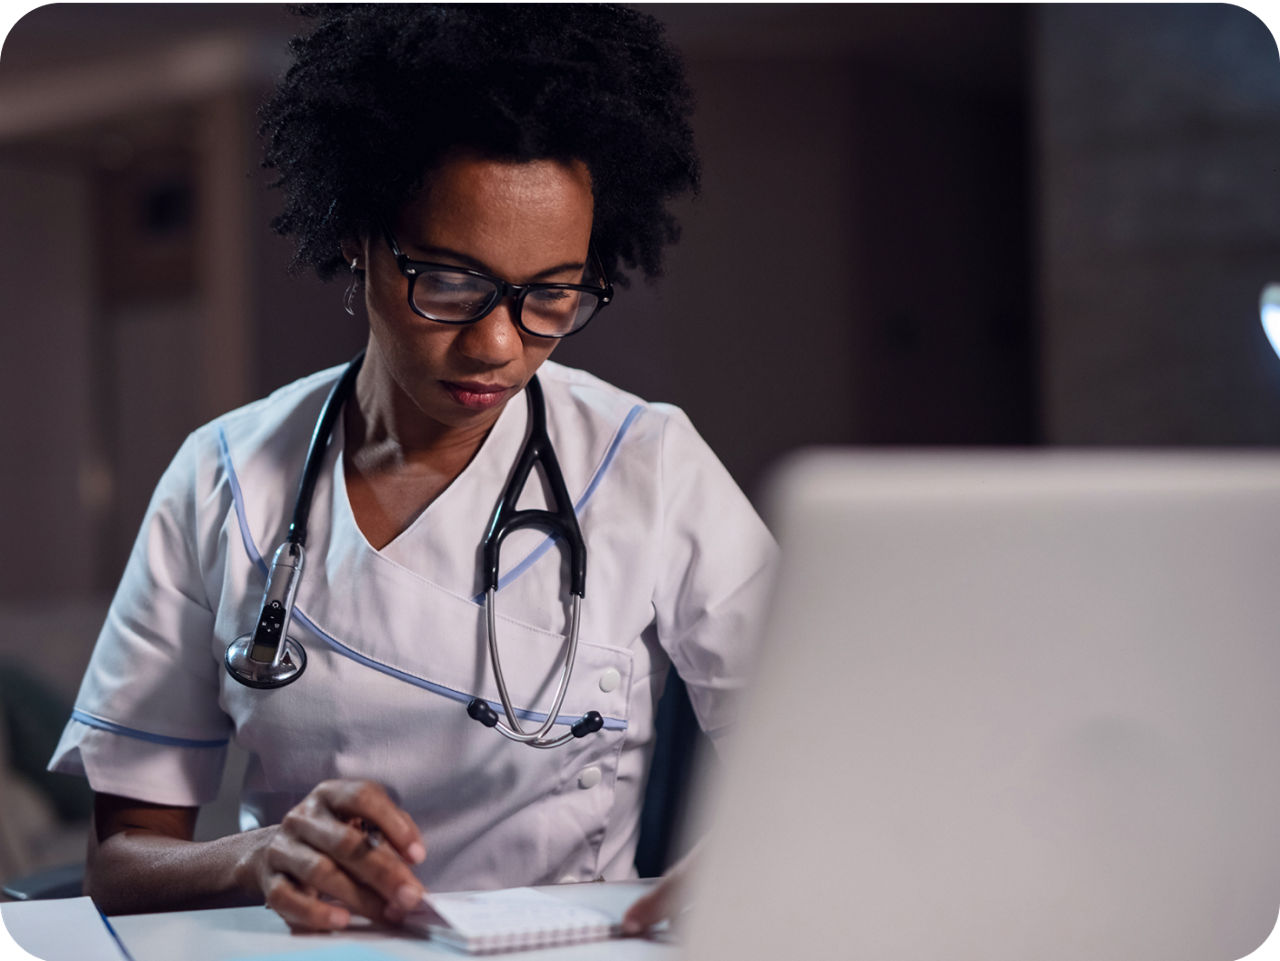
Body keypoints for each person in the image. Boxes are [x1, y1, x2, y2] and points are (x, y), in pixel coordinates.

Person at [48, 4, 775, 934]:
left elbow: (824, 737)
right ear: (359, 238)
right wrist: (261, 854)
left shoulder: (647, 460)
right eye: (451, 283)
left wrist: (741, 859)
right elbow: (120, 858)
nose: (499, 344)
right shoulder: (223, 478)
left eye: (550, 295)